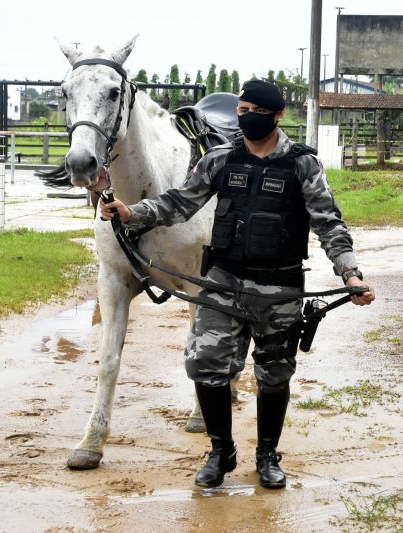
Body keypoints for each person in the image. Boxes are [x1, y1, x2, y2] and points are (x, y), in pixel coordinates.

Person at [101, 79, 375, 489]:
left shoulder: (303, 165)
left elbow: (329, 224)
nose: (247, 119)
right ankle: (220, 451)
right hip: (224, 284)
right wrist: (131, 212)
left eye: (256, 112)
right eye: (242, 112)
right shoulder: (219, 160)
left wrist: (350, 274)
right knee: (204, 364)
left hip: (280, 287)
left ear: (278, 115)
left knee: (274, 376)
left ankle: (267, 455)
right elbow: (178, 203)